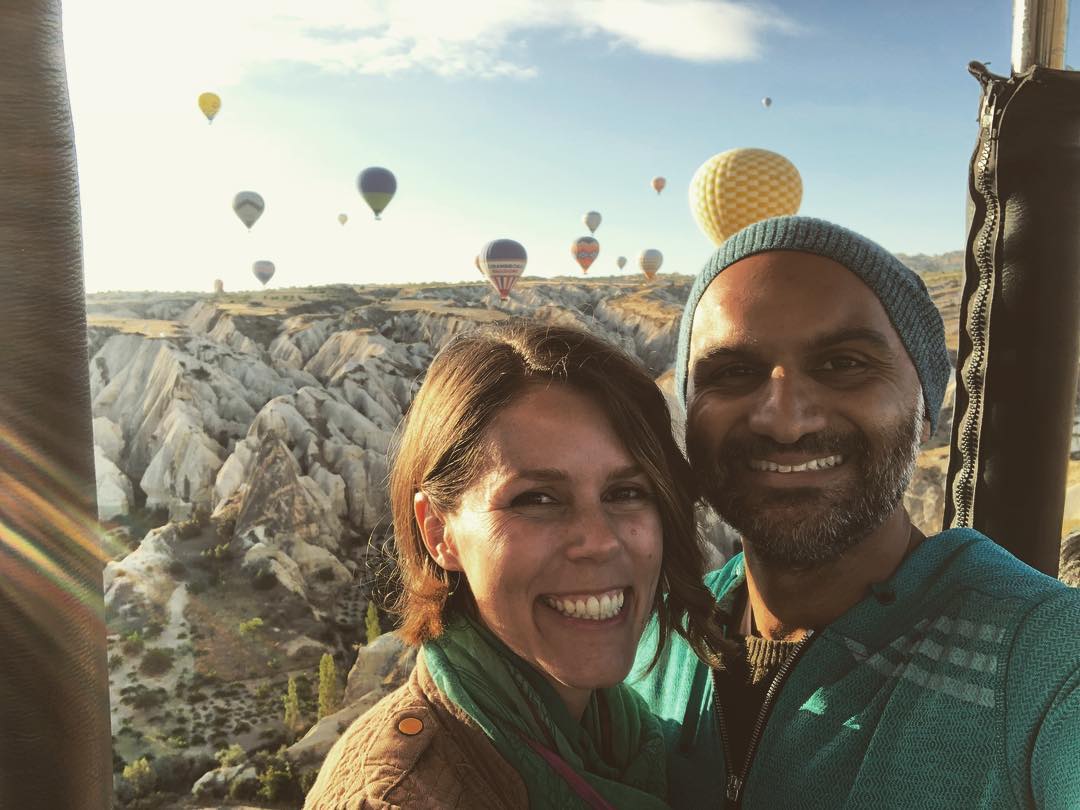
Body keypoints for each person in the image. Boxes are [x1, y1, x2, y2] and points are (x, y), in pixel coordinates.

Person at [630, 216, 1080, 809]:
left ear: (927, 405)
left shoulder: (1047, 660)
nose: (785, 421)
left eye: (844, 364)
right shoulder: (654, 635)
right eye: (733, 373)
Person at [305, 320, 726, 809]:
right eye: (538, 498)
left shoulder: (624, 734)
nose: (598, 540)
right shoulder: (398, 798)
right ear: (439, 533)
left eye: (627, 492)